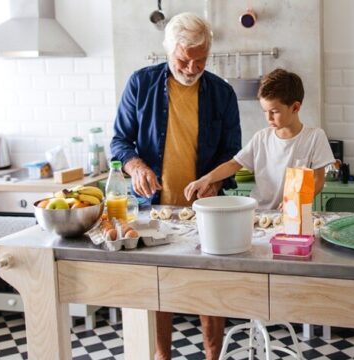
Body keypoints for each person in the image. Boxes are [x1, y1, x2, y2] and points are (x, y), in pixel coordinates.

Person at [110, 12, 241, 360]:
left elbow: (233, 153)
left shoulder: (222, 93)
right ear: (169, 50)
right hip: (154, 206)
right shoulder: (140, 84)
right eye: (185, 59)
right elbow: (120, 142)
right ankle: (161, 355)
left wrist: (217, 183)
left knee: (209, 288)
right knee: (158, 285)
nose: (192, 67)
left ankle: (214, 355)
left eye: (201, 60)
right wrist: (135, 166)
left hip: (206, 210)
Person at [184, 68, 334, 209]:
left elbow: (318, 181)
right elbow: (233, 164)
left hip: (294, 215)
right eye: (265, 111)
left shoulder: (315, 137)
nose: (268, 118)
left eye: (274, 112)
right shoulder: (261, 138)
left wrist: (298, 199)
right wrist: (206, 179)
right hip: (259, 213)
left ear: (295, 107)